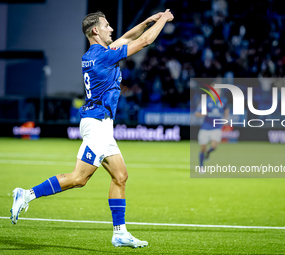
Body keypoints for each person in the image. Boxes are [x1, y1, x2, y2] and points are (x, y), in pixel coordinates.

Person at [10, 9, 174, 248]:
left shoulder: (95, 54)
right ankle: (26, 194)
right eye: (107, 25)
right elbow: (145, 41)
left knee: (120, 176)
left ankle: (120, 233)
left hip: (101, 124)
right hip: (97, 125)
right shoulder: (103, 56)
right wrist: (162, 20)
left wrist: (148, 20)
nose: (111, 29)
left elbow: (128, 37)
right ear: (95, 30)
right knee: (78, 178)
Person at [195, 86, 229, 171]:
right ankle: (201, 167)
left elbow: (226, 109)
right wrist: (204, 113)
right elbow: (197, 114)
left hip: (216, 127)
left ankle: (208, 152)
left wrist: (225, 118)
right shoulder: (205, 101)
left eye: (218, 90)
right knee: (202, 148)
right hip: (205, 128)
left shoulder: (223, 101)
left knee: (214, 146)